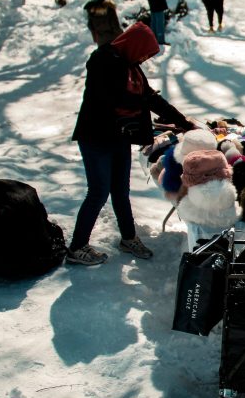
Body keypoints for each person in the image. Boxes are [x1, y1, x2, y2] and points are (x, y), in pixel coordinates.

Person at [68, 21, 193, 265]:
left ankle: (128, 237)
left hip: (119, 138)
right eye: (144, 51)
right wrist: (136, 112)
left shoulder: (131, 67)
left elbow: (151, 99)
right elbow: (108, 98)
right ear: (133, 44)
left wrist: (182, 121)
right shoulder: (103, 61)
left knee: (121, 192)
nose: (144, 58)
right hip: (96, 137)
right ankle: (77, 246)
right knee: (98, 192)